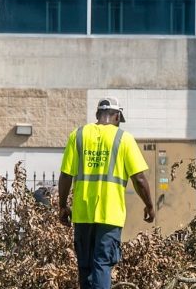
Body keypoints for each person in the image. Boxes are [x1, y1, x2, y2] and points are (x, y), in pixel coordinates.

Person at [58, 96, 155, 289]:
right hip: (110, 216)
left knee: (85, 266)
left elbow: (66, 176)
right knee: (102, 264)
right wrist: (149, 206)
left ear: (97, 114)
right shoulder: (123, 139)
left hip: (83, 213)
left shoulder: (77, 135)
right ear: (117, 116)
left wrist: (62, 206)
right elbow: (139, 179)